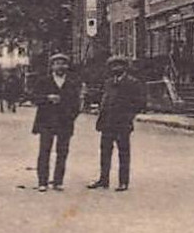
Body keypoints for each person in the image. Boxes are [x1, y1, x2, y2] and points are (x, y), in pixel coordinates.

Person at [88, 56, 147, 191]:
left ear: (125, 67)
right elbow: (105, 100)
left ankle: (123, 182)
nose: (116, 69)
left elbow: (139, 103)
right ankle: (104, 180)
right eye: (113, 66)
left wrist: (128, 116)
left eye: (119, 66)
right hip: (107, 123)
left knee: (123, 153)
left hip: (123, 123)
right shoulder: (108, 82)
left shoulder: (133, 83)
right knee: (105, 152)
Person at [29, 51, 81, 191]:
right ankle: (42, 182)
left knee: (62, 152)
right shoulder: (43, 81)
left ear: (67, 66)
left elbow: (77, 104)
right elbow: (34, 98)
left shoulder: (72, 83)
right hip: (46, 122)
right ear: (52, 66)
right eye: (57, 64)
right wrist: (47, 98)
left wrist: (70, 116)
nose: (60, 66)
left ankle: (58, 181)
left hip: (64, 122)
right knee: (44, 151)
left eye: (63, 64)